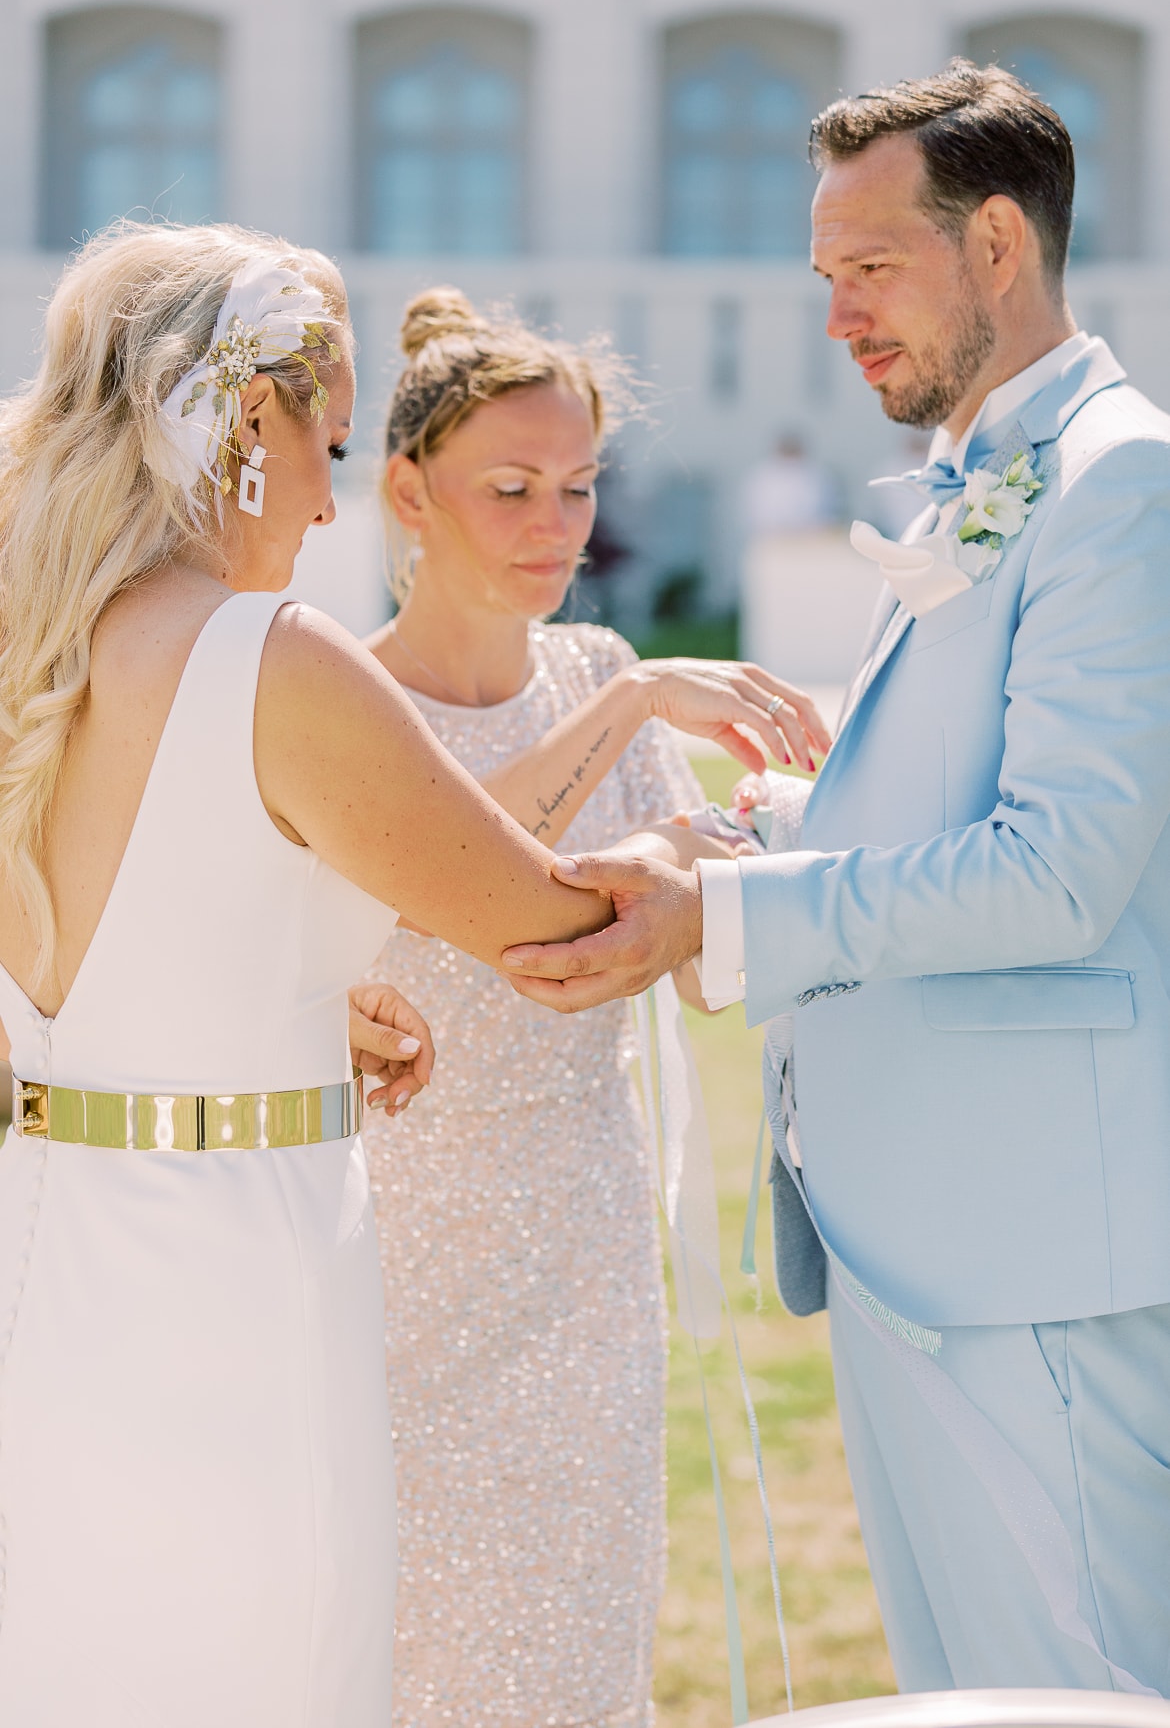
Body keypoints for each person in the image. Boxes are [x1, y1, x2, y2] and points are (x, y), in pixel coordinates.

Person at [503, 62, 1170, 1697]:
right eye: (823, 278)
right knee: (974, 1694)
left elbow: (1058, 870)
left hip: (1034, 1260)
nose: (833, 317)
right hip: (916, 1249)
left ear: (996, 243)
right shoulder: (985, 479)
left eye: (866, 269)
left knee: (1071, 1695)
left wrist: (725, 920)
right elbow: (948, 805)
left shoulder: (1114, 483)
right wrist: (763, 826)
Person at [0, 221, 642, 1727]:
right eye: (328, 441)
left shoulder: (30, 644)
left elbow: (121, 930)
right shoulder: (272, 654)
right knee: (273, 1666)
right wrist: (735, 872)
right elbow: (537, 920)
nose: (332, 494)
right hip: (239, 1279)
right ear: (241, 421)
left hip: (47, 1259)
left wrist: (276, 994)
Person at [361, 287, 829, 1725]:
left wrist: (732, 852)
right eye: (507, 488)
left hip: (582, 1226)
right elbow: (456, 880)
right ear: (404, 494)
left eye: (574, 488)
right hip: (397, 1236)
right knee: (410, 1625)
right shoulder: (346, 700)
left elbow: (670, 953)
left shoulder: (590, 664)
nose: (551, 523)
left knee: (576, 1614)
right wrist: (627, 726)